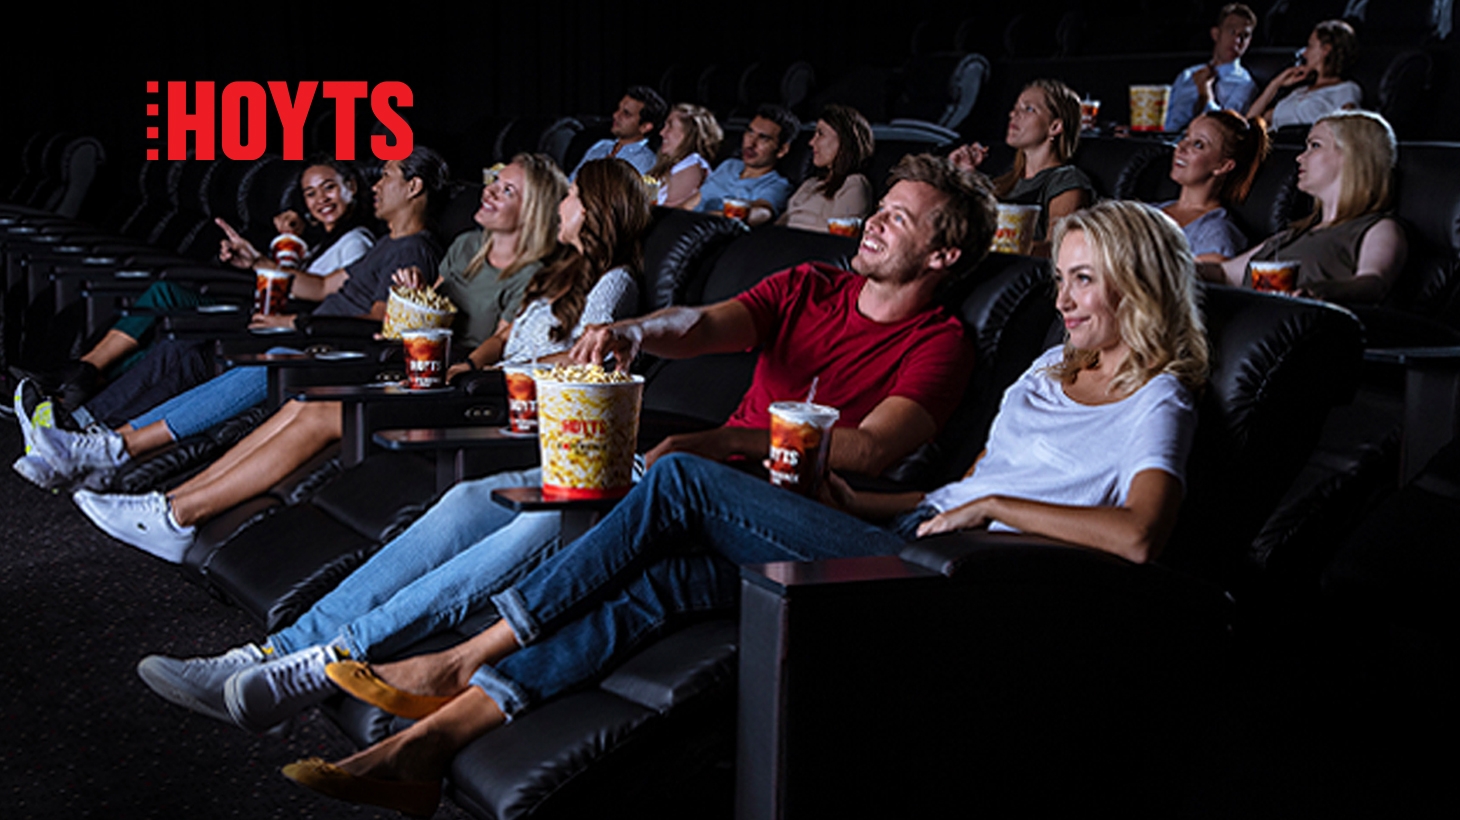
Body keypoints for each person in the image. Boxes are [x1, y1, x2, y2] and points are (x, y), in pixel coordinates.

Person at [274, 198, 1209, 816]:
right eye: (1062, 276)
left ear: (1141, 281)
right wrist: (863, 496)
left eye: (1084, 278)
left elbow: (1137, 540)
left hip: (961, 590)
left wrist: (990, 506)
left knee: (680, 478)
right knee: (666, 587)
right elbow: (947, 494)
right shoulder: (1052, 368)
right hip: (904, 532)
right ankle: (433, 746)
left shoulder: (1156, 397)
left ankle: (460, 657)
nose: (1064, 297)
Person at [130, 154, 996, 744]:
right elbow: (707, 324)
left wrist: (731, 435)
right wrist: (635, 329)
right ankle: (277, 652)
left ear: (943, 252)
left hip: (768, 508)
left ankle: (314, 669)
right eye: (876, 210)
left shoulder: (943, 342)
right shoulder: (811, 283)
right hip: (684, 469)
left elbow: (874, 451)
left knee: (528, 533)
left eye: (898, 219)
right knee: (473, 501)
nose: (874, 226)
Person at [63, 158, 646, 562]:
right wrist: (471, 363)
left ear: (592, 209)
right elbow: (502, 334)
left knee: (319, 412)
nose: (567, 199)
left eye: (574, 195)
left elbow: (582, 357)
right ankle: (167, 505)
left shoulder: (612, 282)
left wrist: (482, 373)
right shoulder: (555, 274)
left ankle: (173, 512)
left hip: (510, 403)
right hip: (470, 378)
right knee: (304, 402)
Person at [14, 148, 452, 491]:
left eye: (387, 176)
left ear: (413, 187)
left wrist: (294, 327)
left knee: (199, 348)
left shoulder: (413, 250)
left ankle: (99, 438)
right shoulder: (387, 245)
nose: (377, 184)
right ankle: (87, 433)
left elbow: (381, 322)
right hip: (300, 335)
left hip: (314, 347)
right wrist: (258, 260)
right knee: (182, 352)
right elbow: (319, 288)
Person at [12, 159, 376, 411]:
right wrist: (288, 242)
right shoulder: (318, 242)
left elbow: (320, 291)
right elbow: (285, 282)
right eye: (310, 194)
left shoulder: (357, 241)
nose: (320, 200)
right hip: (261, 313)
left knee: (167, 295)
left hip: (277, 328)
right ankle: (79, 383)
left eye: (329, 188)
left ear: (352, 188)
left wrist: (259, 262)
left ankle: (81, 373)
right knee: (163, 321)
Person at [1205, 110, 1405, 305]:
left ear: (1353, 155)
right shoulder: (1292, 234)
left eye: (1315, 146)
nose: (1300, 157)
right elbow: (1224, 273)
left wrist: (1319, 292)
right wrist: (1177, 264)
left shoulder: (1378, 228)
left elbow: (1374, 283)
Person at [949, 79, 1094, 254]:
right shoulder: (1004, 182)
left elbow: (1058, 248)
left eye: (1028, 109)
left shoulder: (1066, 179)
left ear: (1055, 126)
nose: (1013, 114)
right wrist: (962, 174)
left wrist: (992, 249)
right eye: (1015, 107)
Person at [1157, 109, 1270, 261]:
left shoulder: (1215, 233)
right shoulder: (1150, 209)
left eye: (1198, 144)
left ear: (1223, 166)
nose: (1181, 147)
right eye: (1186, 136)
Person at [1247, 19, 1362, 131]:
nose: (1304, 53)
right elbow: (1248, 126)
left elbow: (1348, 130)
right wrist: (1275, 84)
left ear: (1326, 50)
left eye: (1310, 46)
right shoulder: (1299, 91)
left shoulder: (1346, 89)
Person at [776, 103, 875, 233]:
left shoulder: (853, 184)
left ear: (843, 140)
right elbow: (781, 224)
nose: (811, 142)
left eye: (820, 134)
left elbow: (839, 238)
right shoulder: (810, 183)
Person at [695, 104, 799, 226]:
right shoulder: (729, 166)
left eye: (763, 138)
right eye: (750, 132)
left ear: (782, 150)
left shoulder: (777, 185)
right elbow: (695, 200)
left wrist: (714, 218)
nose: (751, 143)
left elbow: (763, 211)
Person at [1163, 4, 1260, 133]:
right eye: (1232, 32)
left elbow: (1224, 131)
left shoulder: (1245, 84)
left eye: (1244, 35)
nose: (1237, 40)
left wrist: (1205, 92)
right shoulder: (1188, 74)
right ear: (1216, 34)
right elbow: (1167, 122)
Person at [568, 86, 667, 180]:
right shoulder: (601, 146)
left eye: (626, 114)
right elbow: (572, 180)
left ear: (645, 127)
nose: (616, 115)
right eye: (618, 109)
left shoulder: (645, 162)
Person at [646, 103, 722, 210]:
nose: (662, 133)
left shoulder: (692, 165)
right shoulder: (670, 164)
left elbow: (670, 213)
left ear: (688, 133)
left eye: (670, 126)